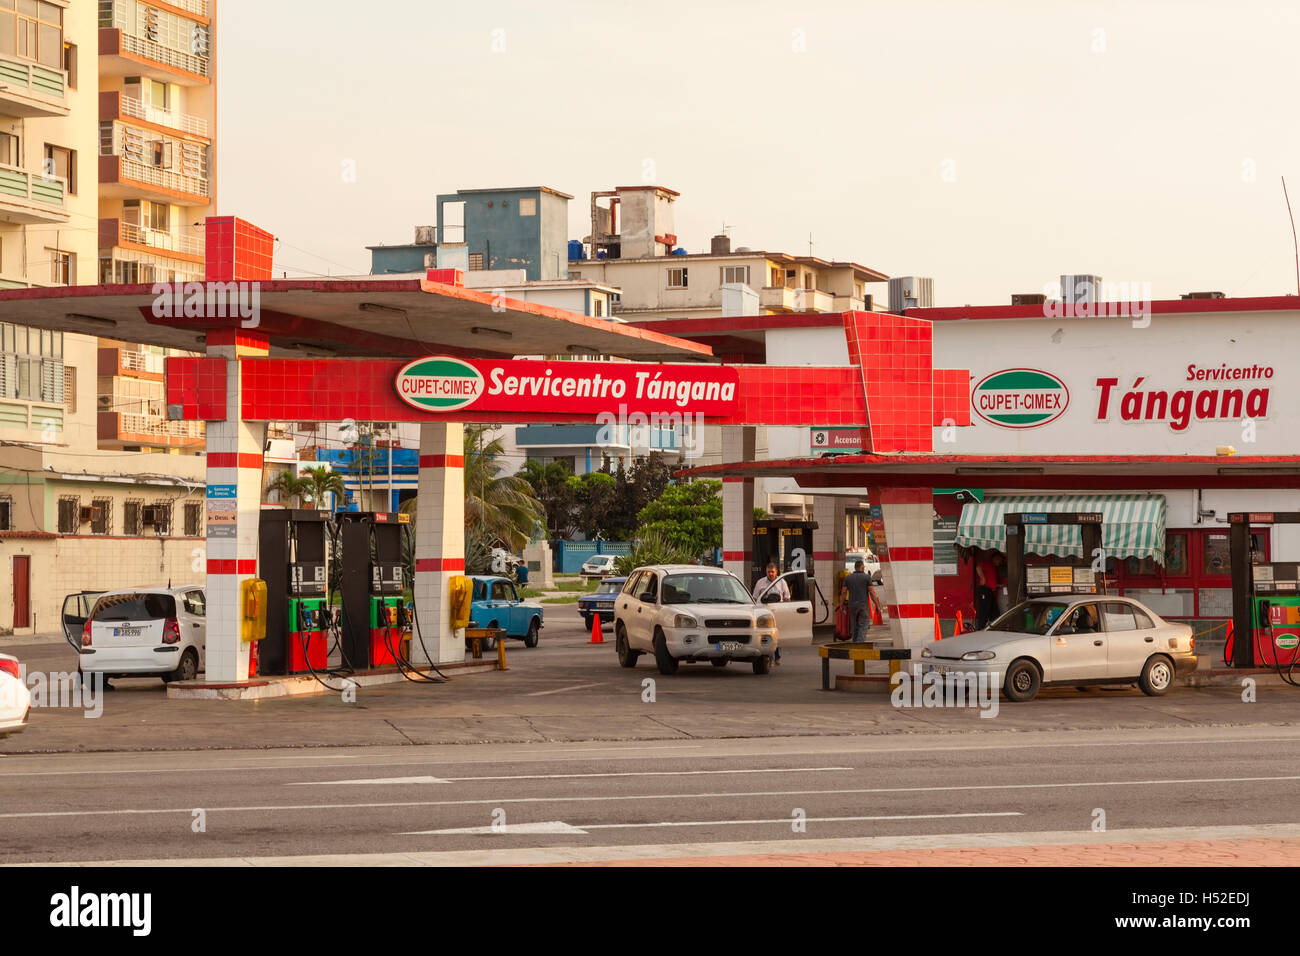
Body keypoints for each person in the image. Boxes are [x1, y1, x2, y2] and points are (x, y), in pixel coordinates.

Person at [752, 563, 790, 664]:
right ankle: (770, 658)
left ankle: (777, 657)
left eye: (772, 572)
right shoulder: (760, 583)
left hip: (779, 612)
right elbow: (755, 598)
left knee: (777, 635)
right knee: (767, 635)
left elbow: (787, 598)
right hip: (764, 613)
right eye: (769, 572)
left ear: (776, 572)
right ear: (766, 572)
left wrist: (787, 610)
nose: (771, 574)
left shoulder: (782, 582)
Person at [841, 559, 873, 643]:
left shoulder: (848, 578)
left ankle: (854, 643)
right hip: (863, 606)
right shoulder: (867, 577)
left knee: (854, 625)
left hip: (852, 605)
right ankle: (859, 644)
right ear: (862, 567)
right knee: (863, 625)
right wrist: (877, 605)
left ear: (855, 568)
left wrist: (841, 605)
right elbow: (872, 592)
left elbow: (843, 592)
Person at [974, 552, 1000, 630]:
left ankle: (992, 627)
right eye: (998, 559)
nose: (999, 562)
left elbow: (992, 581)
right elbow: (978, 567)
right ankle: (981, 628)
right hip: (984, 590)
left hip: (990, 591)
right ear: (994, 559)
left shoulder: (993, 567)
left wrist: (998, 585)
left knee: (995, 612)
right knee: (984, 611)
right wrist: (983, 578)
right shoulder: (988, 564)